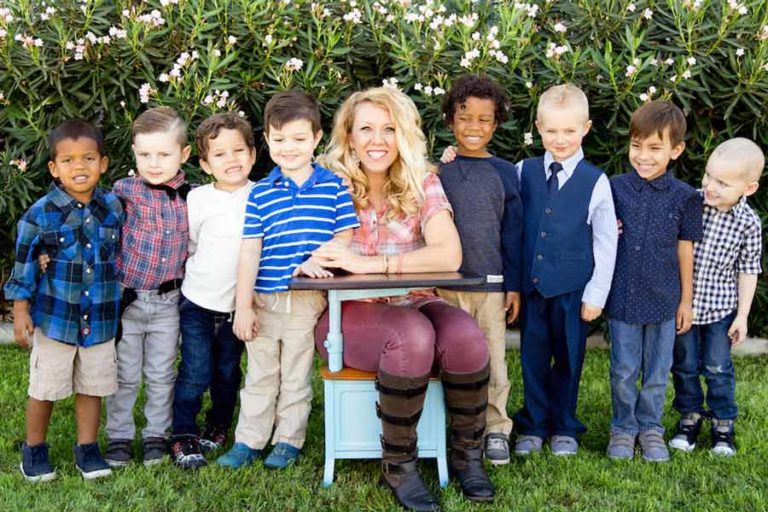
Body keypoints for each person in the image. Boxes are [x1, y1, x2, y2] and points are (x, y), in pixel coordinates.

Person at [313, 86, 495, 511]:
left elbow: (448, 254)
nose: (378, 140)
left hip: (414, 298)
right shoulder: (327, 183)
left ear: (404, 135)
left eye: (389, 129)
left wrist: (371, 266)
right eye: (367, 129)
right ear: (349, 136)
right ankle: (399, 464)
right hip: (347, 313)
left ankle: (468, 454)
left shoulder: (422, 182)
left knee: (466, 336)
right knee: (411, 335)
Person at [216, 91, 359, 470]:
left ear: (316, 138)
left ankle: (288, 440)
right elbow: (249, 251)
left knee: (295, 374)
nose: (288, 148)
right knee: (261, 375)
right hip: (263, 299)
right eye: (279, 140)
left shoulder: (332, 188)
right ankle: (249, 439)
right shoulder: (261, 193)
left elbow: (346, 235)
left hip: (305, 301)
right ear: (267, 140)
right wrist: (243, 306)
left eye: (298, 139)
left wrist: (318, 257)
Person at [5, 120, 124, 481]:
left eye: (88, 158)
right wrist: (20, 309)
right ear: (54, 169)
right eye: (68, 160)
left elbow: (116, 255)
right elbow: (24, 264)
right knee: (45, 387)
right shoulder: (40, 214)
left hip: (100, 318)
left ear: (103, 163)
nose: (79, 167)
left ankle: (87, 449)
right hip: (56, 319)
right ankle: (34, 450)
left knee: (92, 386)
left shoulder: (113, 207)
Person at [512, 84, 618, 457]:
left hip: (574, 289)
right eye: (552, 130)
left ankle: (564, 426)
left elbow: (606, 242)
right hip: (533, 288)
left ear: (585, 128)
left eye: (569, 131)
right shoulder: (522, 171)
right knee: (533, 356)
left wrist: (595, 295)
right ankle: (534, 423)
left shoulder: (596, 181)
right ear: (538, 127)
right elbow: (511, 227)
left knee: (570, 359)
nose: (560, 139)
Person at [604, 100, 702, 462]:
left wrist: (686, 300)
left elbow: (685, 250)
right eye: (636, 145)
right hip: (623, 298)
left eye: (654, 148)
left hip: (664, 299)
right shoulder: (614, 188)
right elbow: (599, 235)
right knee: (624, 369)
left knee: (658, 372)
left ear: (676, 150)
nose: (643, 156)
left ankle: (650, 427)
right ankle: (623, 427)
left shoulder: (686, 198)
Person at [435, 74, 523, 465]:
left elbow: (514, 234)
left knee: (493, 361)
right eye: (464, 117)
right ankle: (453, 427)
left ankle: (496, 430)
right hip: (445, 287)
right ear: (450, 120)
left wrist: (514, 285)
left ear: (497, 124)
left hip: (490, 286)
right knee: (447, 359)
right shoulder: (439, 171)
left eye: (484, 119)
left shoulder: (506, 172)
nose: (474, 127)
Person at [105, 106, 192, 467]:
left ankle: (156, 434)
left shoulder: (194, 197)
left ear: (183, 154)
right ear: (134, 153)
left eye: (163, 154)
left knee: (161, 372)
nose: (153, 163)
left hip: (169, 301)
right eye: (144, 155)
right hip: (128, 301)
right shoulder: (123, 191)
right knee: (124, 374)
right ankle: (119, 436)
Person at [168, 112, 255, 469]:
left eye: (238, 151)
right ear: (204, 163)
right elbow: (190, 245)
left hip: (238, 306)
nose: (231, 160)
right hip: (199, 303)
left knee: (227, 372)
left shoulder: (262, 196)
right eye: (219, 154)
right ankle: (183, 433)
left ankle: (218, 424)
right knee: (195, 370)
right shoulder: (197, 199)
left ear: (252, 154)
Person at [670, 138, 764, 456]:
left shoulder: (748, 224)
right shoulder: (691, 202)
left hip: (720, 309)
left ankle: (723, 423)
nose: (710, 185)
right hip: (684, 306)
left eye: (722, 183)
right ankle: (690, 416)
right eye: (709, 176)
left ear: (748, 188)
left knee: (717, 367)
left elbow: (748, 270)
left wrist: (742, 315)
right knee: (683, 365)